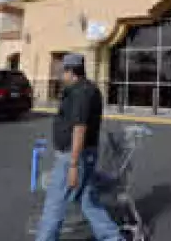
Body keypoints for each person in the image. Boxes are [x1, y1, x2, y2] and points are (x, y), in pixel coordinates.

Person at [35, 54, 123, 241]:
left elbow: (79, 127)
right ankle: (113, 238)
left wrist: (74, 165)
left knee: (54, 205)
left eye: (63, 71)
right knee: (87, 201)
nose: (61, 76)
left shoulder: (81, 92)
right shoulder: (87, 89)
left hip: (73, 156)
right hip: (84, 155)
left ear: (71, 72)